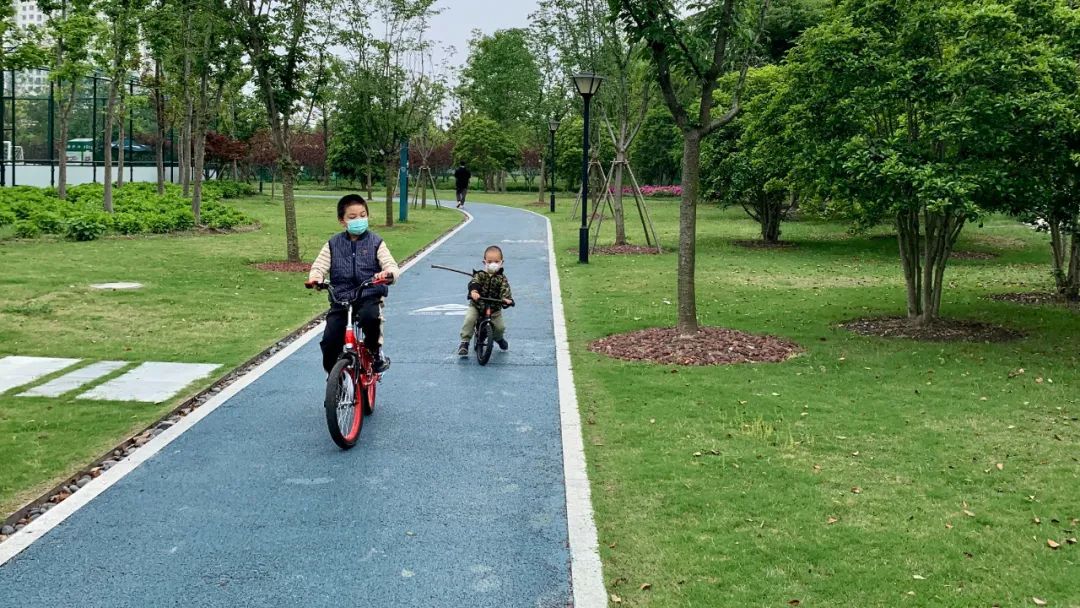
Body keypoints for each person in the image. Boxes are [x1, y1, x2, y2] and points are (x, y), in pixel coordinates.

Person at [305, 194, 399, 374]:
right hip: (341, 298)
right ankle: (335, 377)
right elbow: (319, 266)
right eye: (353, 217)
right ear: (342, 221)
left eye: (363, 215)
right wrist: (316, 278)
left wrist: (388, 274)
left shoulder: (376, 242)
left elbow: (390, 265)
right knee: (330, 340)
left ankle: (376, 353)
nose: (359, 220)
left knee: (370, 318)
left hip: (368, 295)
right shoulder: (333, 244)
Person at [458, 245, 514, 356]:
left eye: (496, 261)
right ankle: (464, 342)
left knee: (500, 327)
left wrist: (506, 299)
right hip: (477, 306)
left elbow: (505, 289)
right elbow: (475, 282)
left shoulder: (502, 278)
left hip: (494, 309)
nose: (493, 264)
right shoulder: (480, 274)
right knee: (469, 319)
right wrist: (474, 292)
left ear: (501, 262)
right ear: (485, 262)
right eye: (490, 261)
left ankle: (498, 338)